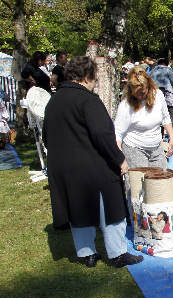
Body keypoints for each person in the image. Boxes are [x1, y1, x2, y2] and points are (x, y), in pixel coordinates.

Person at [43, 56, 143, 268]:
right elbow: (102, 134)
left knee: (77, 208)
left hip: (64, 166)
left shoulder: (54, 100)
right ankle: (117, 253)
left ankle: (86, 253)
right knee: (110, 207)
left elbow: (46, 137)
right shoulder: (88, 100)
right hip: (92, 166)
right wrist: (119, 160)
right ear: (88, 76)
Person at [114, 67, 173, 169]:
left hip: (156, 147)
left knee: (161, 180)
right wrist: (120, 157)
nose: (141, 97)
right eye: (137, 94)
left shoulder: (158, 95)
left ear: (149, 86)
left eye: (143, 93)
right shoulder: (125, 105)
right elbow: (118, 133)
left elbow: (166, 118)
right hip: (134, 148)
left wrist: (172, 139)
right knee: (139, 183)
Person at [150, 57, 173, 128]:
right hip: (167, 92)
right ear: (166, 63)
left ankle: (160, 131)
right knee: (171, 111)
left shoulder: (152, 71)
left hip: (155, 93)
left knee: (158, 111)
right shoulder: (168, 69)